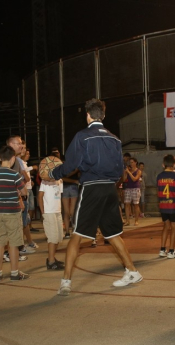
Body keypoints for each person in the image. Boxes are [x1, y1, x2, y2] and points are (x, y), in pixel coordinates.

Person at [48, 98, 143, 296]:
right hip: (110, 189)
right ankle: (132, 271)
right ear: (104, 115)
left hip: (92, 188)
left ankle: (66, 281)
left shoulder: (83, 136)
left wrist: (52, 174)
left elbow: (70, 165)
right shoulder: (115, 139)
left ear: (88, 115)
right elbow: (120, 170)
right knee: (113, 234)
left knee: (77, 235)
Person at [0, 145, 29, 281]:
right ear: (13, 158)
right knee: (14, 243)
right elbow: (24, 191)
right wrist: (18, 192)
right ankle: (14, 273)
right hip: (12, 212)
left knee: (0, 242)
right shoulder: (14, 174)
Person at [6, 136, 37, 256]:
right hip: (15, 199)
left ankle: (15, 251)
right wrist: (20, 198)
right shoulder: (13, 161)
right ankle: (12, 252)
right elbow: (16, 181)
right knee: (14, 227)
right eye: (19, 144)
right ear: (11, 144)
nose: (21, 146)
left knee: (19, 225)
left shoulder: (16, 161)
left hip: (17, 197)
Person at [157, 154, 175, 259]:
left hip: (163, 205)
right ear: (174, 164)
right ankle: (171, 251)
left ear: (163, 164)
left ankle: (162, 249)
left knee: (165, 226)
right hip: (173, 205)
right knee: (174, 228)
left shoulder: (159, 176)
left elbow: (158, 190)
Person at [38, 178, 65, 271]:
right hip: (49, 212)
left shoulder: (60, 180)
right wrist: (43, 212)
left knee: (58, 237)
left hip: (57, 211)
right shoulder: (45, 181)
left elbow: (58, 196)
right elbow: (40, 196)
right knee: (53, 237)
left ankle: (52, 257)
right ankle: (51, 262)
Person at [23, 148, 39, 232]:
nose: (28, 155)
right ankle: (26, 226)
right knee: (27, 208)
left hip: (29, 188)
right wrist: (32, 167)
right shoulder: (21, 163)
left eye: (29, 154)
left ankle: (29, 225)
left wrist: (31, 181)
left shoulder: (25, 164)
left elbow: (26, 174)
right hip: (25, 189)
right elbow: (23, 171)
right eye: (27, 154)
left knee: (31, 208)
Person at [123, 157, 141, 226]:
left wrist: (129, 173)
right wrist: (125, 173)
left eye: (132, 162)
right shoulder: (128, 170)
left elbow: (134, 179)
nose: (131, 164)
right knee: (127, 204)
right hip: (128, 188)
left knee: (136, 204)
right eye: (130, 162)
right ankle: (127, 220)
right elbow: (124, 180)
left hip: (135, 188)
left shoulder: (138, 171)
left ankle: (136, 220)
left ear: (135, 162)